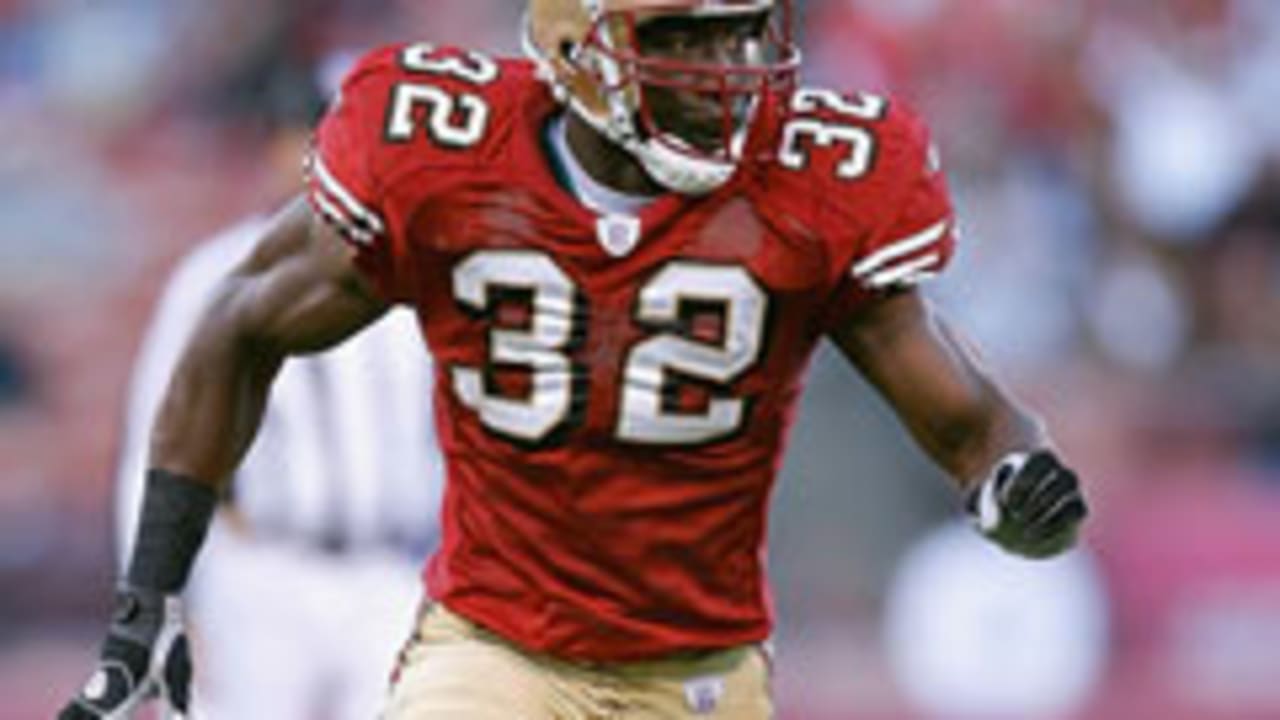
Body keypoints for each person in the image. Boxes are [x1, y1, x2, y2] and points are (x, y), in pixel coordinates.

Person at [60, 1, 1089, 718]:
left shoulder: (807, 184)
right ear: (576, 46)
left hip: (698, 665)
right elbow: (234, 326)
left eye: (739, 35)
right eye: (685, 37)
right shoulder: (446, 164)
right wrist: (152, 591)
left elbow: (957, 401)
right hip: (490, 645)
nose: (723, 73)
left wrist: (1007, 476)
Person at [113, 215, 444, 719]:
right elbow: (160, 443)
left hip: (393, 568)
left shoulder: (418, 265)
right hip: (264, 570)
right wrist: (160, 602)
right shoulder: (221, 268)